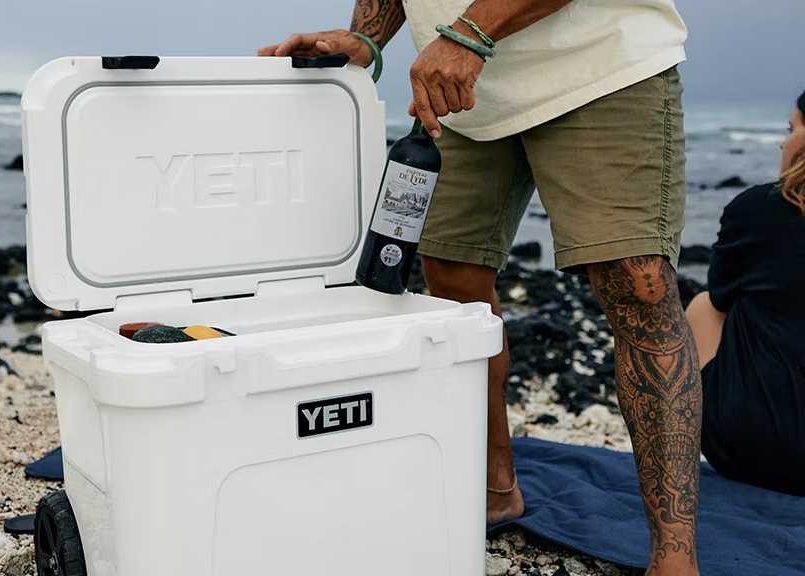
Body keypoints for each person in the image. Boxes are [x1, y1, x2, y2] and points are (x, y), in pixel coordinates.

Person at [260, 1, 703, 574]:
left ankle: (674, 556)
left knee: (639, 288)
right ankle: (497, 488)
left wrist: (469, 34)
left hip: (598, 70)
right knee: (451, 284)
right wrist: (364, 39)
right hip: (461, 95)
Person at [685, 91, 805, 496]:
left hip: (756, 449)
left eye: (792, 130)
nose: (783, 142)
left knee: (704, 304)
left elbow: (721, 293)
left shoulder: (758, 208)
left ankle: (673, 451)